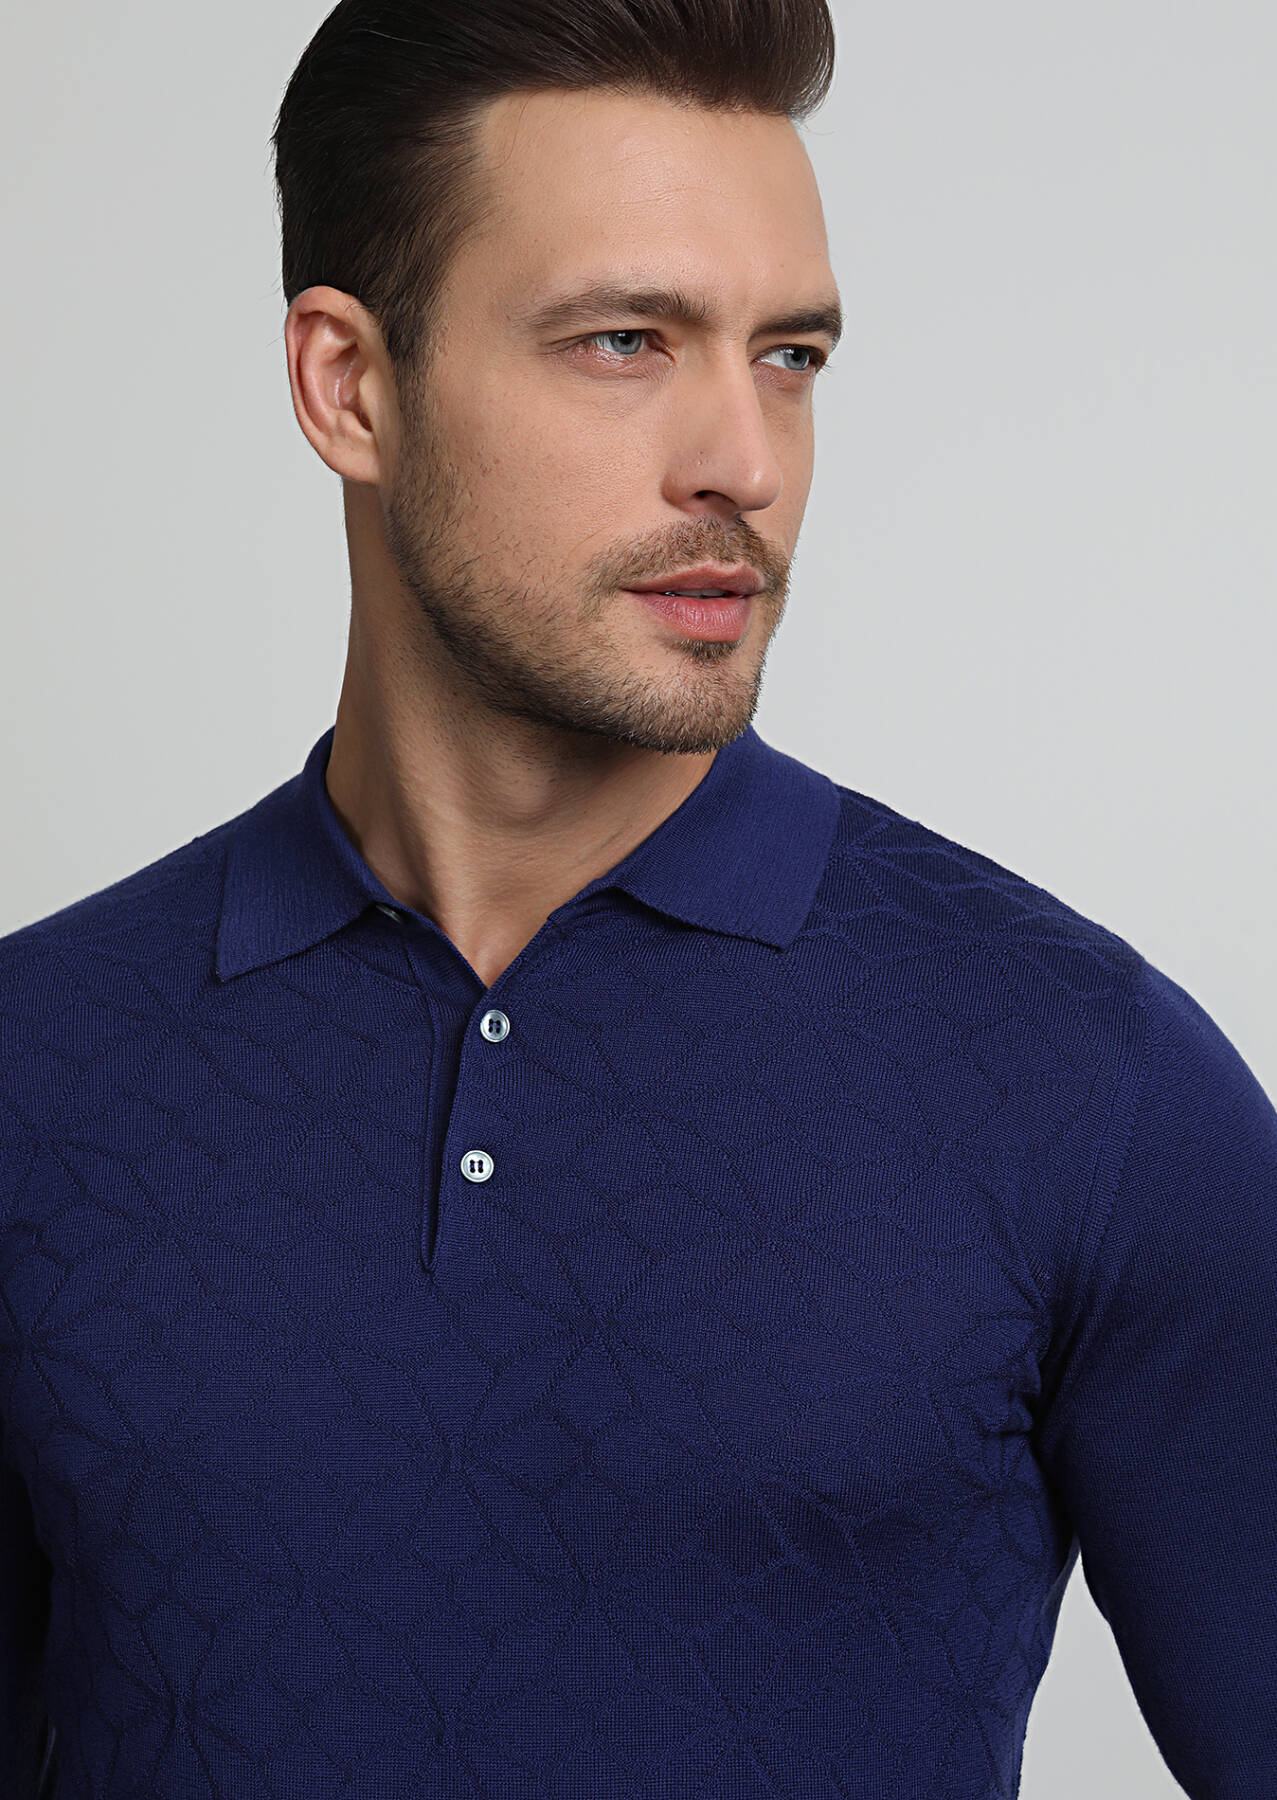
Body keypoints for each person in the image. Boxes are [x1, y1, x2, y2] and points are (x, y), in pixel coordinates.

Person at [2, 0, 1274, 1794]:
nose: (743, 460)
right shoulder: (35, 1065)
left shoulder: (1093, 1086)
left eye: (789, 355)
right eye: (624, 341)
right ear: (348, 385)